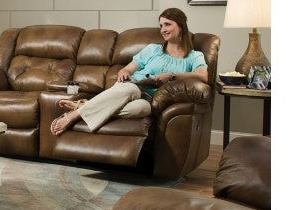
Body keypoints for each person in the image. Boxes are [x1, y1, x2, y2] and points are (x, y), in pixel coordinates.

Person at [51, 8, 208, 135]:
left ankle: (83, 106)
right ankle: (72, 116)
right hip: (132, 86)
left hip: (150, 99)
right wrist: (123, 72)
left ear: (181, 26)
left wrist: (172, 76)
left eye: (167, 24)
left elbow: (203, 76)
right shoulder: (153, 49)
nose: (163, 30)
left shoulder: (194, 56)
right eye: (161, 25)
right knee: (131, 88)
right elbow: (128, 68)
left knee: (141, 109)